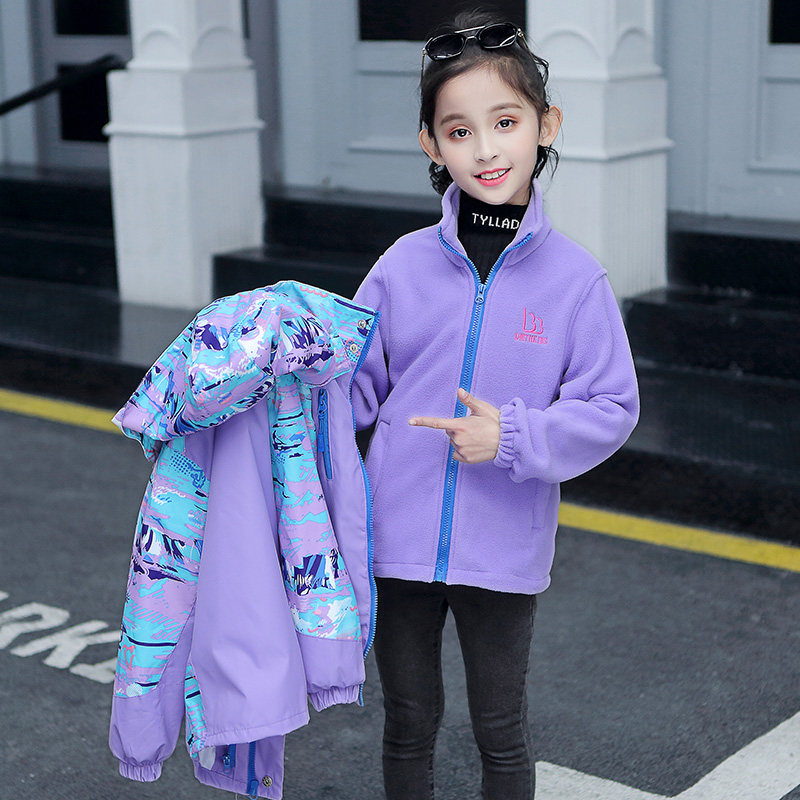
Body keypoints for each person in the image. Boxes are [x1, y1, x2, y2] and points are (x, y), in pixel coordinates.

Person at [350, 8, 640, 800]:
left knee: (500, 731)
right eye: (459, 130)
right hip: (395, 543)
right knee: (408, 722)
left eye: (505, 122)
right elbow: (354, 389)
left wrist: (512, 436)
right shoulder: (401, 266)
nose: (484, 150)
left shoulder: (576, 280)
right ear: (430, 144)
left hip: (504, 551)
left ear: (546, 125)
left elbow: (611, 405)